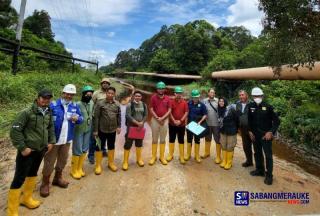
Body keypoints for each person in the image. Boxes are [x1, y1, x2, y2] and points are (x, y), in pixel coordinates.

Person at [7, 90, 55, 216]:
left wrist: (51, 141)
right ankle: (12, 211)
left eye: (48, 99)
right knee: (19, 178)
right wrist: (22, 148)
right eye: (43, 98)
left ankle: (26, 199)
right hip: (27, 151)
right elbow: (15, 131)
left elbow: (50, 127)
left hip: (40, 150)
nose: (46, 101)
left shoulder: (48, 111)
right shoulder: (26, 112)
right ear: (38, 98)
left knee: (33, 174)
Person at [40, 84, 83, 197]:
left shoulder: (74, 106)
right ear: (62, 93)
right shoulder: (53, 105)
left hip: (67, 139)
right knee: (49, 161)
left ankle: (57, 178)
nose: (69, 96)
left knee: (63, 160)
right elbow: (43, 120)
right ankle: (45, 183)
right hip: (53, 140)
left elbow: (81, 118)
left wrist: (78, 118)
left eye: (71, 94)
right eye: (67, 93)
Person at [248, 87, 280, 185]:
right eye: (255, 96)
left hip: (266, 136)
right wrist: (249, 131)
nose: (257, 97)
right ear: (252, 96)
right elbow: (249, 120)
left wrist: (271, 132)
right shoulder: (250, 106)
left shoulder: (268, 107)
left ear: (262, 96)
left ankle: (269, 175)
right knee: (257, 153)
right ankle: (259, 170)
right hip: (255, 135)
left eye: (258, 96)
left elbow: (277, 121)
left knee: (268, 156)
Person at [93, 86, 121, 173]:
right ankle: (98, 165)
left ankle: (111, 163)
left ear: (114, 94)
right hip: (101, 129)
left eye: (112, 93)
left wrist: (119, 126)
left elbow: (119, 116)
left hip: (112, 129)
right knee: (99, 146)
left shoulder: (117, 104)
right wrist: (95, 130)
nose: (110, 94)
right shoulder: (100, 103)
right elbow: (96, 117)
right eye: (109, 93)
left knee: (111, 146)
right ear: (106, 94)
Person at [70, 86, 94, 179]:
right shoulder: (77, 104)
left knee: (84, 148)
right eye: (87, 94)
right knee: (77, 149)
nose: (89, 95)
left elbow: (91, 114)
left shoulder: (91, 103)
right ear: (83, 94)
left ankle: (79, 168)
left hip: (88, 129)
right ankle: (73, 170)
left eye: (90, 94)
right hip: (78, 130)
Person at [122, 91, 148, 171]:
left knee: (139, 143)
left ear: (141, 97)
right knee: (128, 144)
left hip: (140, 127)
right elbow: (128, 116)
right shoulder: (130, 105)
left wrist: (142, 122)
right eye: (136, 96)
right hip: (131, 127)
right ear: (133, 96)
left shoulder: (144, 105)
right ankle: (125, 161)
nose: (138, 97)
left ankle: (139, 159)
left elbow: (146, 115)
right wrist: (137, 123)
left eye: (139, 96)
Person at [149, 81, 171, 166]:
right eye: (159, 88)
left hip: (164, 120)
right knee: (154, 139)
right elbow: (151, 109)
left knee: (162, 139)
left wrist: (162, 118)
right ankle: (153, 157)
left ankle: (162, 157)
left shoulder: (168, 98)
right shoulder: (153, 98)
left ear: (164, 89)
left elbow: (169, 110)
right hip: (155, 120)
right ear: (157, 89)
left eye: (162, 88)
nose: (161, 90)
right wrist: (158, 118)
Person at [88, 78, 111, 163]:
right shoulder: (96, 93)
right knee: (94, 137)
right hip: (96, 118)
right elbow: (91, 104)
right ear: (101, 84)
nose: (105, 84)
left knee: (104, 135)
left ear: (109, 85)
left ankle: (103, 150)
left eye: (107, 83)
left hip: (105, 119)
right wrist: (90, 116)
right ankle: (91, 155)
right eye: (103, 83)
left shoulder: (110, 93)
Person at [167, 86, 189, 164]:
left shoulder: (184, 102)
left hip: (181, 125)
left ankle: (181, 156)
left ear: (181, 94)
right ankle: (170, 154)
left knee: (181, 140)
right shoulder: (171, 101)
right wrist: (174, 120)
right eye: (177, 93)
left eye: (180, 93)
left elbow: (186, 112)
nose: (178, 95)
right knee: (171, 139)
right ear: (175, 94)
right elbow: (169, 112)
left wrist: (181, 120)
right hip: (172, 124)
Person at [185, 89, 207, 163]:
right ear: (192, 97)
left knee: (197, 140)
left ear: (199, 97)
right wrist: (185, 123)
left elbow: (205, 115)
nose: (196, 99)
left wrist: (200, 121)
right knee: (189, 139)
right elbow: (185, 113)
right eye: (194, 97)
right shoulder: (188, 104)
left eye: (197, 97)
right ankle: (188, 154)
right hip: (190, 124)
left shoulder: (202, 105)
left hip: (197, 125)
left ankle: (197, 155)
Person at [218, 97, 239, 170]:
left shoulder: (231, 109)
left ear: (225, 102)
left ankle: (229, 162)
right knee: (223, 145)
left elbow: (237, 119)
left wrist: (236, 129)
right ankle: (224, 161)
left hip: (231, 131)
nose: (221, 102)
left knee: (230, 146)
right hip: (223, 130)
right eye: (220, 101)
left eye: (222, 101)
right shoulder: (219, 109)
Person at [202, 88, 221, 163]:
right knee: (207, 138)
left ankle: (218, 156)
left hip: (216, 124)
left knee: (218, 140)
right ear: (208, 93)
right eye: (211, 92)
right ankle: (207, 153)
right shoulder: (204, 101)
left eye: (213, 93)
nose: (212, 94)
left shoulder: (218, 101)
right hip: (207, 124)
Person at [236, 90, 253, 167]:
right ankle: (249, 161)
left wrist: (252, 130)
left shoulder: (252, 104)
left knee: (257, 147)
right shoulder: (238, 104)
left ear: (246, 95)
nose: (241, 97)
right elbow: (237, 116)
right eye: (240, 95)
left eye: (242, 95)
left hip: (252, 129)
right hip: (243, 128)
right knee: (246, 146)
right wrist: (238, 127)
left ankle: (260, 167)